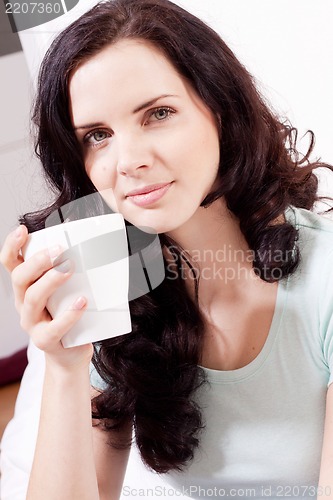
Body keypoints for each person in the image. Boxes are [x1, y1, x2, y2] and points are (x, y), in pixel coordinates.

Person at [1, 0, 333, 498]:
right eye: (98, 136)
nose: (129, 160)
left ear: (220, 108)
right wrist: (66, 367)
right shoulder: (115, 290)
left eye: (158, 114)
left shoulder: (324, 280)